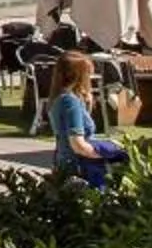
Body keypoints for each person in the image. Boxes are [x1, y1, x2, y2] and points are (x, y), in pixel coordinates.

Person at [49, 51, 128, 188]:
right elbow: (78, 145)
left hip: (64, 164)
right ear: (79, 76)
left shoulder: (60, 98)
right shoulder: (70, 102)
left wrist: (87, 103)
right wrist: (111, 154)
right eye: (88, 74)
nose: (91, 79)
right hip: (79, 169)